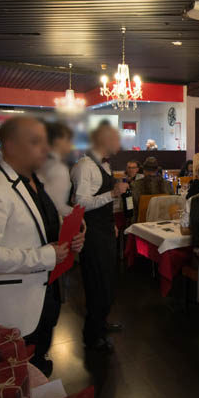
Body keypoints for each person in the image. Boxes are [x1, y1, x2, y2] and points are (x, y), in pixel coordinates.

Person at [0, 116, 85, 377]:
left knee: (37, 372)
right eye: (35, 142)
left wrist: (72, 240)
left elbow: (45, 232)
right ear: (11, 146)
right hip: (10, 311)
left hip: (44, 298)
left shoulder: (36, 185)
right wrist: (44, 256)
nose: (45, 149)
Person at [71, 121, 128, 353]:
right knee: (96, 282)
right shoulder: (86, 165)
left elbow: (103, 203)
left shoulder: (104, 166)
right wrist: (112, 193)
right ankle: (92, 335)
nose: (118, 141)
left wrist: (112, 224)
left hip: (104, 229)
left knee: (107, 281)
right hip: (91, 233)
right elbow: (80, 202)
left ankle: (101, 323)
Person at [39, 121, 74, 217]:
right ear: (58, 140)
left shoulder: (40, 161)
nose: (71, 144)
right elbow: (56, 206)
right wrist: (75, 213)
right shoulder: (58, 168)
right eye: (68, 140)